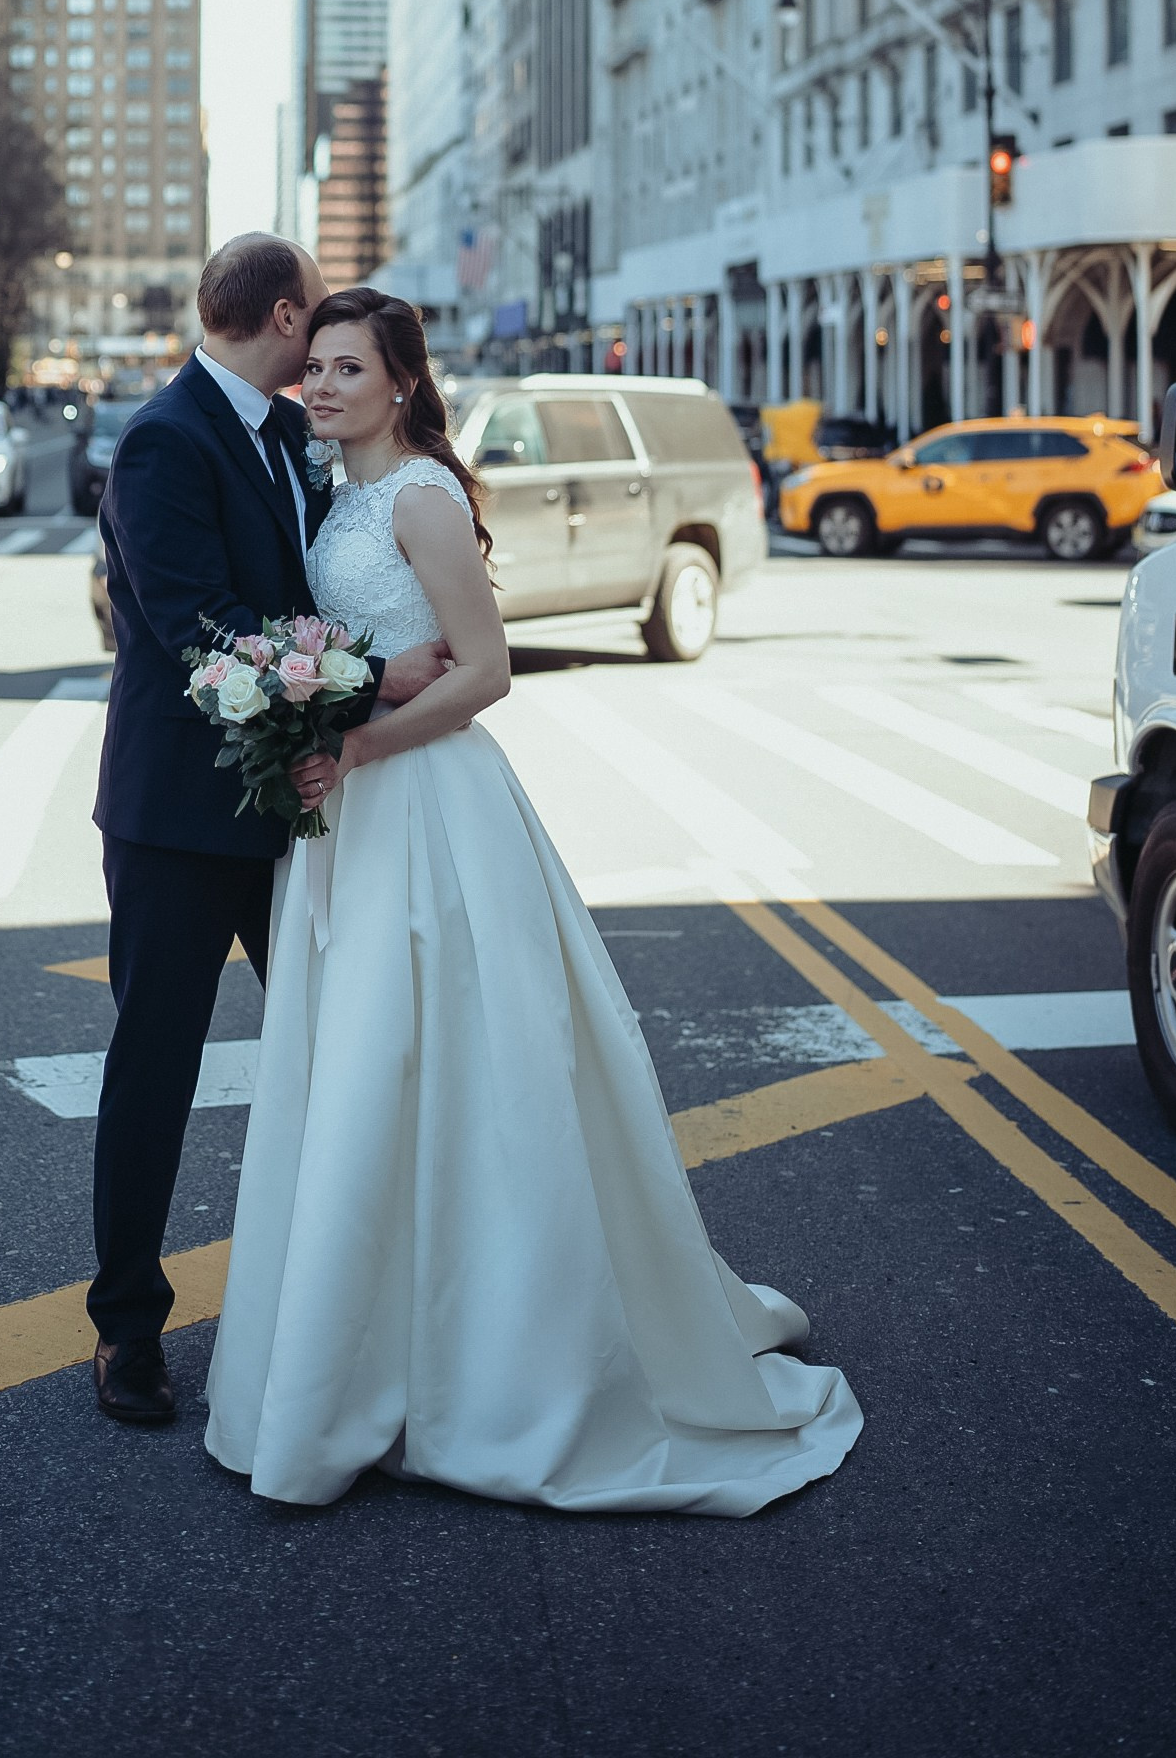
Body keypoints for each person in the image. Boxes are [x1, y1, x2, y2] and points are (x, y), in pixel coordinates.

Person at [202, 286, 862, 1516]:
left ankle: (495, 1365)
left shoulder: (420, 498)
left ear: (401, 385)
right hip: (347, 814)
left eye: (348, 370)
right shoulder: (335, 493)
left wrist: (356, 746)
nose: (323, 387)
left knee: (457, 1070)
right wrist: (319, 713)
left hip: (427, 808)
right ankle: (365, 1351)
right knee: (358, 1075)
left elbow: (490, 672)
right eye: (317, 370)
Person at [86, 234, 449, 1429]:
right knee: (157, 1064)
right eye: (319, 338)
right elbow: (207, 633)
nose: (326, 363)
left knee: (336, 1048)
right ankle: (126, 1327)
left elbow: (304, 589)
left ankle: (353, 1303)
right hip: (180, 820)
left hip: (297, 805)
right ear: (284, 317)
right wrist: (373, 682)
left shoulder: (293, 442)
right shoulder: (163, 440)